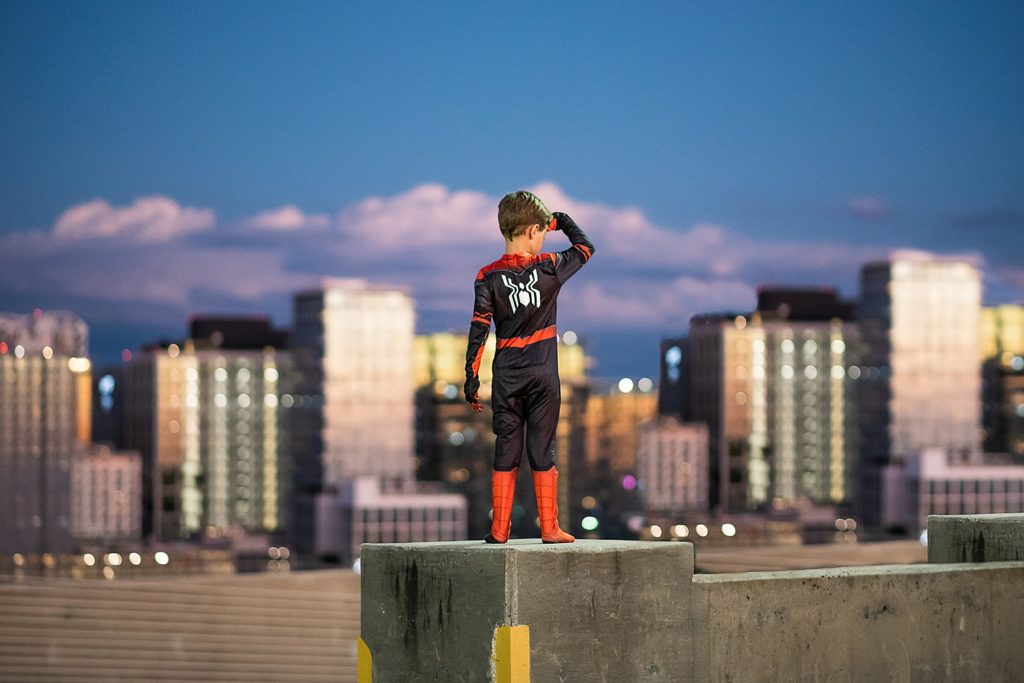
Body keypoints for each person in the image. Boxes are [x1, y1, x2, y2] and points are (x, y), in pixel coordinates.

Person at [464, 190, 594, 543]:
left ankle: (499, 530)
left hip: (506, 376)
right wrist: (561, 220)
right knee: (543, 447)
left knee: (506, 447)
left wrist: (470, 377)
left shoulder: (486, 276)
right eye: (542, 231)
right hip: (542, 376)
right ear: (536, 229)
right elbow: (585, 248)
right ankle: (549, 529)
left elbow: (479, 327)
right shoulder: (550, 266)